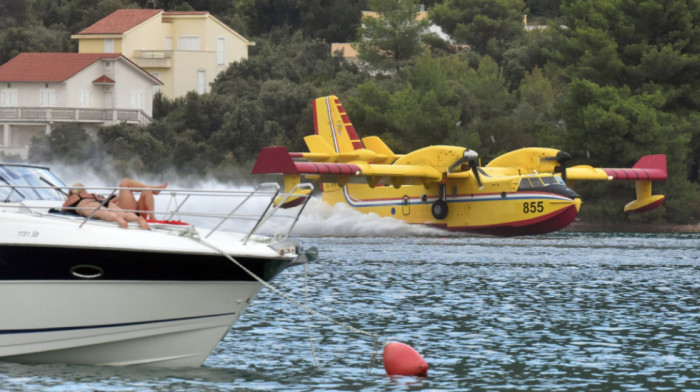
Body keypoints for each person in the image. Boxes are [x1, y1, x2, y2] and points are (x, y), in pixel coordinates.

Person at [62, 183, 149, 230]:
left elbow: (64, 208)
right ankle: (138, 219)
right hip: (103, 201)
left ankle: (118, 219)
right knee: (124, 213)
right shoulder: (93, 194)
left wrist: (69, 196)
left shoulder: (75, 196)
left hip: (88, 203)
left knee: (102, 213)